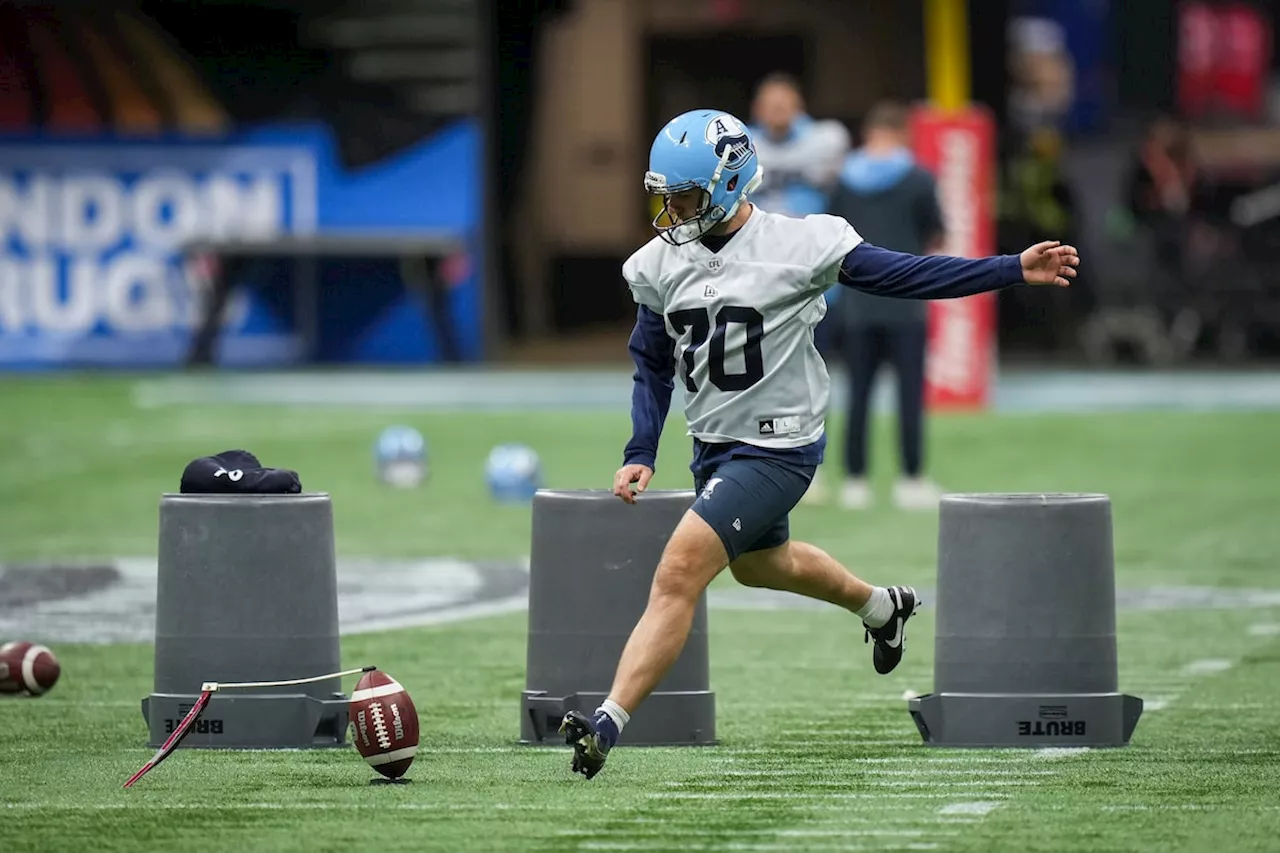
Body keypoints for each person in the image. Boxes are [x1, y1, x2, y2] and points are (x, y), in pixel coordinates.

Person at [558, 109, 1079, 780]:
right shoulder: (660, 265)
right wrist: (641, 447)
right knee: (761, 564)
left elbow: (906, 275)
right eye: (668, 196)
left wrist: (1009, 268)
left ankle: (607, 723)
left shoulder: (800, 243)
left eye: (685, 196)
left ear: (725, 184)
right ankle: (882, 606)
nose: (672, 210)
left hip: (778, 446)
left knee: (679, 571)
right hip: (714, 444)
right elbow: (652, 363)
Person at [820, 101, 947, 511]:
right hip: (906, 306)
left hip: (856, 306)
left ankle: (855, 481)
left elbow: (827, 236)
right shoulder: (919, 179)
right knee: (910, 397)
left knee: (856, 396)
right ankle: (911, 479)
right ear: (903, 134)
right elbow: (937, 235)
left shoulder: (843, 181)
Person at [748, 72, 850, 358]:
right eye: (771, 105)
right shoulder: (739, 143)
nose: (778, 111)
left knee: (814, 365)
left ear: (799, 106)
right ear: (757, 109)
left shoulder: (826, 138)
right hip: (758, 268)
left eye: (785, 104)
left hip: (810, 266)